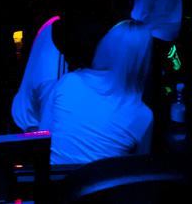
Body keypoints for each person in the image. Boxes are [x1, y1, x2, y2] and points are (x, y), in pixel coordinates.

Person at [39, 20, 154, 166]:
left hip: (55, 178)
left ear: (105, 46)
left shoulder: (69, 81)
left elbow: (41, 137)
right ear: (144, 61)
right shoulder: (143, 115)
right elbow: (139, 170)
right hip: (100, 181)